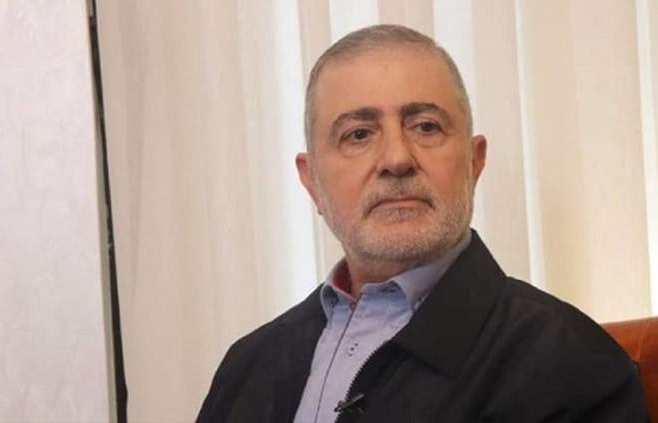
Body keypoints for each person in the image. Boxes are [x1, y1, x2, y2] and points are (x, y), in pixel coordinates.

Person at [197, 24, 647, 422]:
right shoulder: (247, 367)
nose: (396, 159)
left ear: (474, 161)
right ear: (311, 180)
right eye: (358, 134)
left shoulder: (571, 364)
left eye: (426, 127)